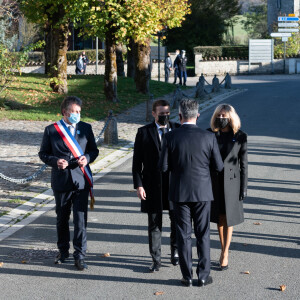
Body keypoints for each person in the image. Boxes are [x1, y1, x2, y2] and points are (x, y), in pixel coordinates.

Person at [160, 99, 223, 287]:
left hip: (179, 191)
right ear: (198, 115)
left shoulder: (170, 137)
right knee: (203, 233)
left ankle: (186, 276)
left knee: (183, 234)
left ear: (179, 116)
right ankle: (203, 275)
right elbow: (218, 166)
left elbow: (163, 167)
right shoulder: (209, 137)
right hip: (202, 191)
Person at [39, 96, 99, 271]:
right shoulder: (51, 130)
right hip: (62, 180)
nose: (77, 115)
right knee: (62, 218)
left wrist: (86, 159)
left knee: (80, 220)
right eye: (74, 112)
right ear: (65, 112)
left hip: (81, 180)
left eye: (79, 112)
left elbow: (94, 150)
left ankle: (80, 255)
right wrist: (55, 161)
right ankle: (63, 251)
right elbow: (43, 154)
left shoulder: (86, 128)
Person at [132, 99, 180, 272]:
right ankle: (156, 258)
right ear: (153, 114)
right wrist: (139, 185)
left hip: (174, 184)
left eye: (167, 113)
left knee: (177, 220)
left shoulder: (177, 129)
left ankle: (175, 252)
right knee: (154, 224)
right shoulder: (143, 132)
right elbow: (137, 163)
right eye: (161, 114)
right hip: (152, 184)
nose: (165, 116)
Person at [209, 104, 248, 270]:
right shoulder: (210, 134)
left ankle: (225, 252)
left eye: (224, 115)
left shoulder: (240, 136)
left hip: (232, 182)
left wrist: (243, 188)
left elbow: (244, 164)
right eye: (218, 115)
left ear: (231, 117)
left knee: (229, 217)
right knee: (220, 217)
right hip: (214, 182)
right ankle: (222, 247)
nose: (221, 118)